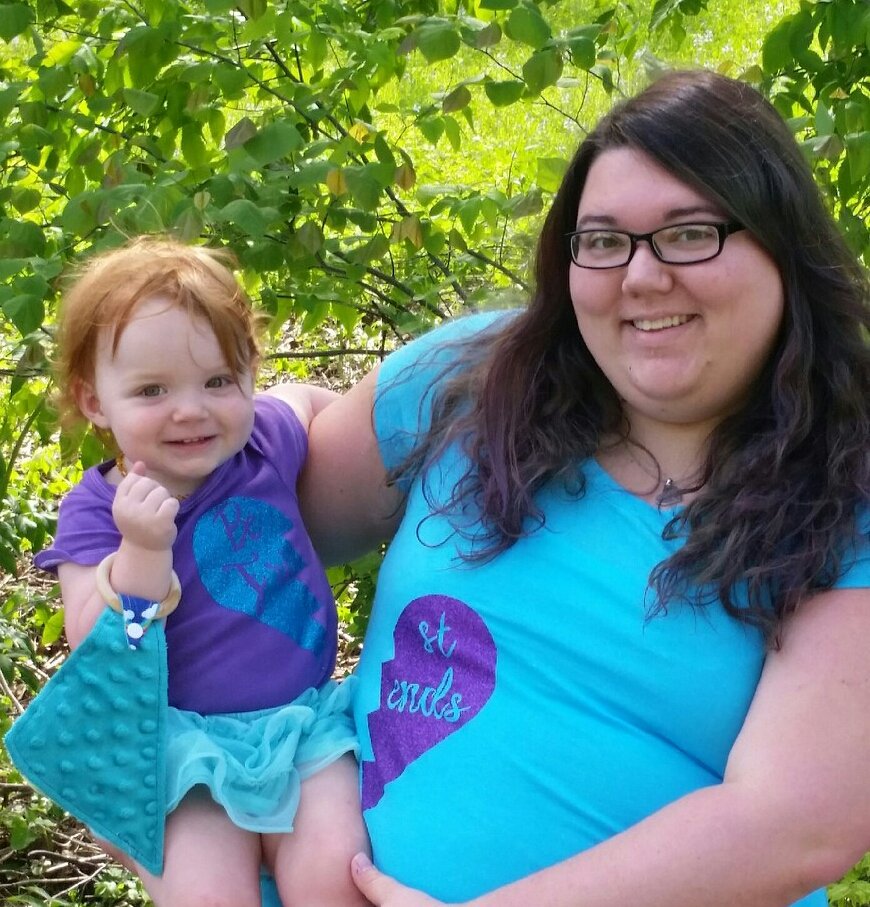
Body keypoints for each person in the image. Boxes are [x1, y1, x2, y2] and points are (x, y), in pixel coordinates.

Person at [294, 70, 870, 907]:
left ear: (782, 247)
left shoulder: (848, 490)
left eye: (688, 233)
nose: (640, 276)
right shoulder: (475, 379)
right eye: (602, 240)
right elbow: (251, 526)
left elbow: (793, 824)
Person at [20, 237, 369, 907]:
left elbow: (318, 404)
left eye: (218, 381)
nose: (192, 409)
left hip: (304, 724)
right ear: (94, 401)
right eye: (152, 389)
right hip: (186, 751)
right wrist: (143, 552)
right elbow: (98, 647)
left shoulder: (266, 437)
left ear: (248, 374)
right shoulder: (97, 510)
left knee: (337, 875)